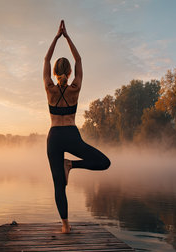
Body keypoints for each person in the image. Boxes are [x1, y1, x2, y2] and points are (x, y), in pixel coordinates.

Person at [43, 20, 111, 233]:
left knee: (58, 185)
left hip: (54, 136)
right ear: (70, 71)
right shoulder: (76, 87)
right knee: (103, 162)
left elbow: (46, 58)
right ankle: (71, 165)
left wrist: (56, 37)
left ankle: (65, 226)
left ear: (54, 72)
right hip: (71, 134)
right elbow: (79, 58)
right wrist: (67, 36)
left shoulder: (49, 87)